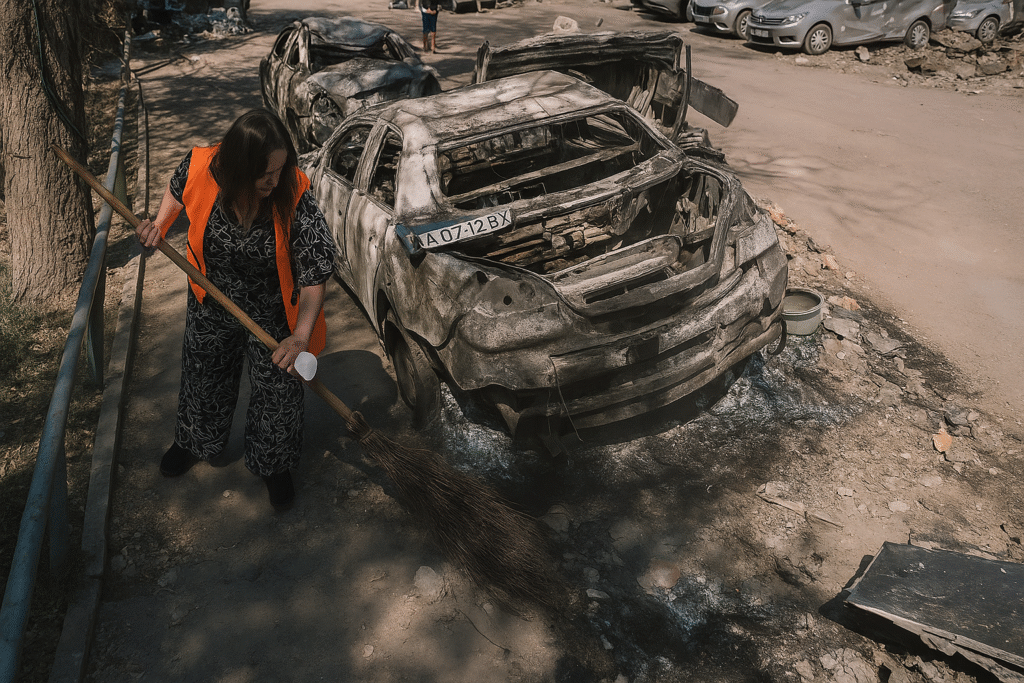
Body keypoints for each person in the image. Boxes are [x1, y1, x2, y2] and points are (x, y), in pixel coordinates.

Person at [135, 109, 336, 511]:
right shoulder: (200, 166)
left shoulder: (293, 193)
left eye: (280, 170)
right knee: (203, 374)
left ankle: (274, 464)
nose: (274, 181)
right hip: (211, 297)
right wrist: (159, 224)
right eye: (265, 174)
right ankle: (194, 440)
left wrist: (299, 336)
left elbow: (316, 271)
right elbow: (178, 190)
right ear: (240, 167)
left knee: (277, 388)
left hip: (273, 308)